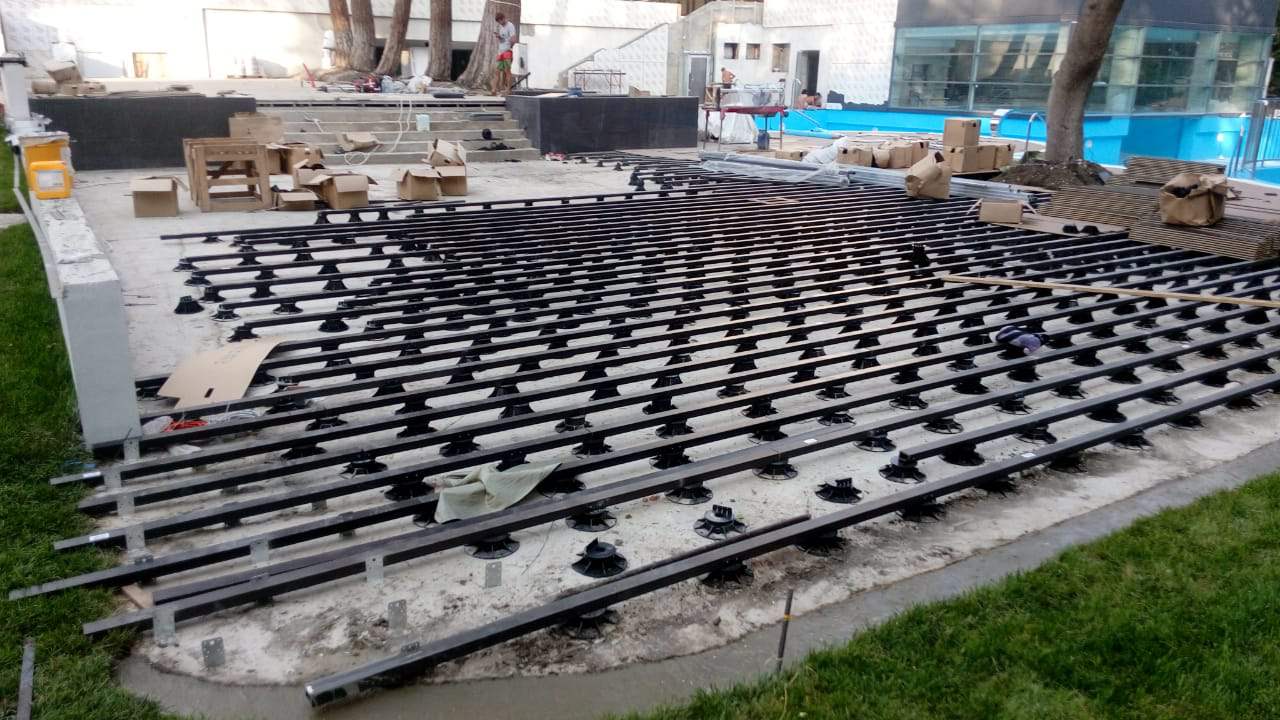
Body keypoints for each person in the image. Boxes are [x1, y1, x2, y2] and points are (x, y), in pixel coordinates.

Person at [491, 12, 518, 96]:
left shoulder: (510, 26)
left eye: (500, 21)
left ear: (503, 18)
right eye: (498, 21)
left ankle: (508, 90)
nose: (500, 23)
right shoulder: (501, 27)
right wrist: (499, 37)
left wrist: (510, 47)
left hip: (507, 52)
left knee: (507, 71)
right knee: (497, 71)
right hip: (500, 52)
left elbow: (513, 39)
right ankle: (494, 90)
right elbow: (503, 39)